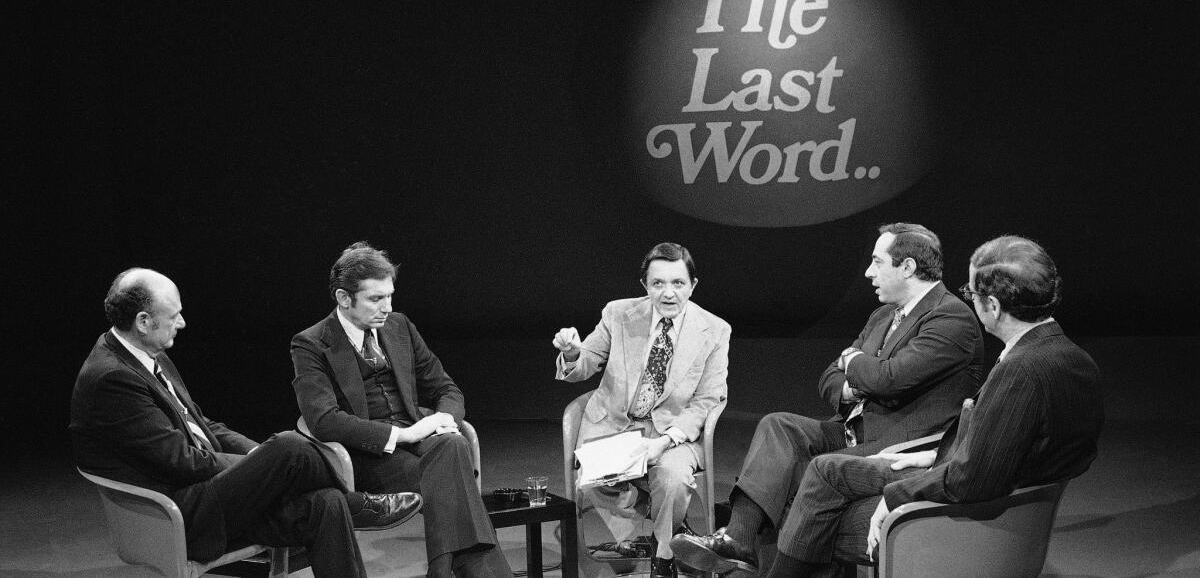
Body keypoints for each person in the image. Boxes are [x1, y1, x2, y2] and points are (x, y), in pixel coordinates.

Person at [680, 235, 1106, 577]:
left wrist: (895, 496)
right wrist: (929, 457)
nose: (969, 300)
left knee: (805, 501)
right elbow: (996, 448)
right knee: (815, 470)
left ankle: (754, 549)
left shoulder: (1020, 369)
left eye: (971, 291)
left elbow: (972, 479)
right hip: (979, 488)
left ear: (992, 306)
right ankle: (743, 541)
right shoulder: (1070, 357)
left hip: (969, 516)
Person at [671, 223, 986, 575]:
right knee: (780, 426)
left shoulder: (950, 317)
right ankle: (738, 539)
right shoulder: (883, 314)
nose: (868, 273)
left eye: (877, 262)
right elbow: (830, 376)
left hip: (902, 445)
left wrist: (856, 363)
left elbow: (889, 379)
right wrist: (852, 384)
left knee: (797, 477)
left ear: (908, 267)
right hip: (854, 429)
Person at [71, 268, 422, 578]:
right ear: (144, 321)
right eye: (174, 316)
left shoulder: (147, 354)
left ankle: (346, 501)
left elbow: (204, 425)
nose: (182, 323)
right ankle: (360, 503)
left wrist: (263, 461)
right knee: (288, 446)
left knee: (325, 501)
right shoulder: (112, 379)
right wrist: (266, 464)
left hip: (214, 494)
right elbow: (181, 461)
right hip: (180, 513)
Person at [291, 242, 512, 578]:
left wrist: (446, 420)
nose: (387, 307)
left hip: (424, 443)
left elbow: (445, 388)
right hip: (367, 458)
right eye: (376, 299)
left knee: (452, 443)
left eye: (390, 296)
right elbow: (322, 420)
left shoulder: (399, 326)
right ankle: (451, 571)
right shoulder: (311, 343)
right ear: (343, 298)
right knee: (452, 466)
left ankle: (442, 569)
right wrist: (403, 434)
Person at [553, 242, 731, 578]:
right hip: (616, 425)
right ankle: (665, 523)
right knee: (593, 477)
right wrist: (574, 353)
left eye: (678, 283)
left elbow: (708, 399)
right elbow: (586, 362)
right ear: (645, 286)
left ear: (692, 285)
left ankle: (663, 559)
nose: (668, 293)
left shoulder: (715, 330)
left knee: (674, 478)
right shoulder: (618, 314)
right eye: (658, 283)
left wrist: (663, 442)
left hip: (674, 431)